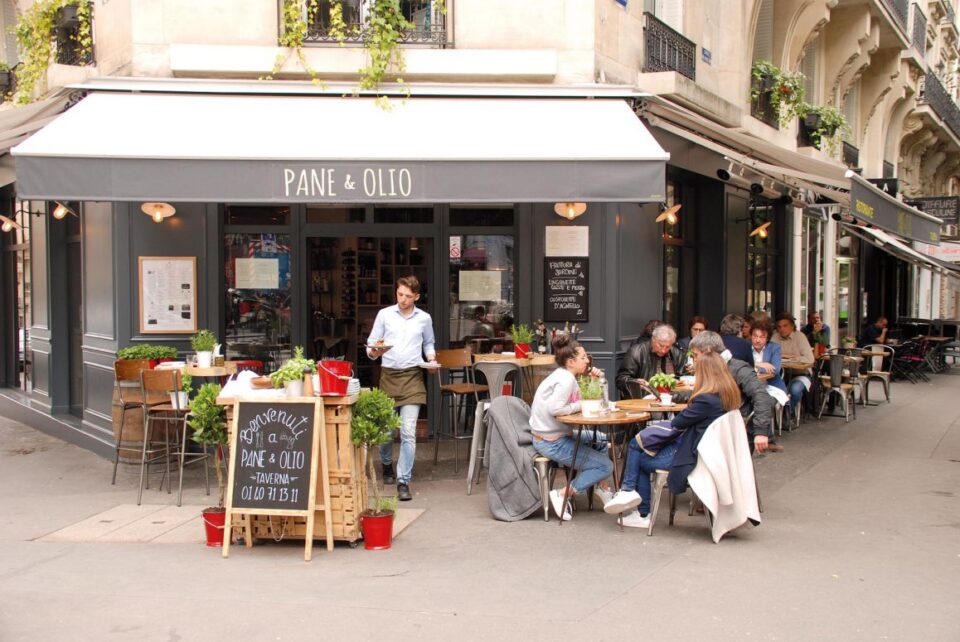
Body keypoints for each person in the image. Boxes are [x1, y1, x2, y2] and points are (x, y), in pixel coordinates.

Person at [603, 350, 741, 528]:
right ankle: (631, 496)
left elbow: (678, 422)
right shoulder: (727, 395)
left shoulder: (706, 400)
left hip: (693, 455)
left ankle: (640, 509)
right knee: (639, 450)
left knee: (639, 458)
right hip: (710, 453)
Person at [366, 275, 436, 501]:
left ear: (416, 296)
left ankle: (403, 480)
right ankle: (386, 465)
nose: (403, 299)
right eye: (400, 294)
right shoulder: (384, 315)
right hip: (388, 377)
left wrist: (432, 359)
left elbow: (428, 343)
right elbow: (372, 344)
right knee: (386, 432)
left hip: (414, 377)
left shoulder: (424, 318)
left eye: (408, 296)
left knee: (407, 431)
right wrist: (374, 352)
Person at [529, 335, 613, 521]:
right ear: (571, 361)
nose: (587, 360)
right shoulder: (565, 380)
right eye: (583, 357)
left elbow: (577, 400)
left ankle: (601, 486)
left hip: (555, 435)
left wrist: (593, 381)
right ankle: (563, 494)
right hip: (551, 442)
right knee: (606, 465)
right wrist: (582, 404)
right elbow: (556, 409)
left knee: (600, 438)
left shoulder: (565, 376)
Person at [616, 324, 685, 398]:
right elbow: (620, 380)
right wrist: (635, 383)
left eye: (668, 347)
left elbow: (681, 376)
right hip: (642, 400)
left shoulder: (676, 353)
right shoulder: (636, 352)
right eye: (661, 345)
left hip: (670, 399)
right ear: (653, 339)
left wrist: (678, 382)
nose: (663, 350)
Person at [750, 321, 786, 453]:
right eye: (755, 336)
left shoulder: (774, 348)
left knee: (765, 401)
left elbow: (775, 369)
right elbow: (742, 365)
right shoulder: (746, 347)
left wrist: (754, 366)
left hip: (771, 386)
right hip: (752, 386)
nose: (758, 340)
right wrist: (760, 364)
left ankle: (768, 439)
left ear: (767, 338)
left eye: (762, 337)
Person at [771, 313, 815, 416]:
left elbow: (810, 359)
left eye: (785, 326)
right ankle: (777, 415)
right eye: (779, 327)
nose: (782, 329)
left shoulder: (800, 337)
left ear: (792, 326)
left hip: (801, 374)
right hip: (781, 375)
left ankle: (787, 413)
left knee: (794, 389)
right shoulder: (775, 337)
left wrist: (793, 358)